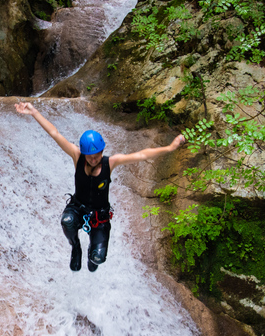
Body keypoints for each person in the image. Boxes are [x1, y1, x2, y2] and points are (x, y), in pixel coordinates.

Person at [15, 101, 186, 272]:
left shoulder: (110, 163)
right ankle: (76, 247)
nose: (93, 160)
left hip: (100, 216)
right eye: (89, 157)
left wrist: (170, 148)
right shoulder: (77, 156)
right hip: (78, 208)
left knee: (98, 259)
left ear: (102, 152)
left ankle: (92, 254)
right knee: (67, 221)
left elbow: (141, 155)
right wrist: (34, 112)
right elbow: (55, 133)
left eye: (96, 156)